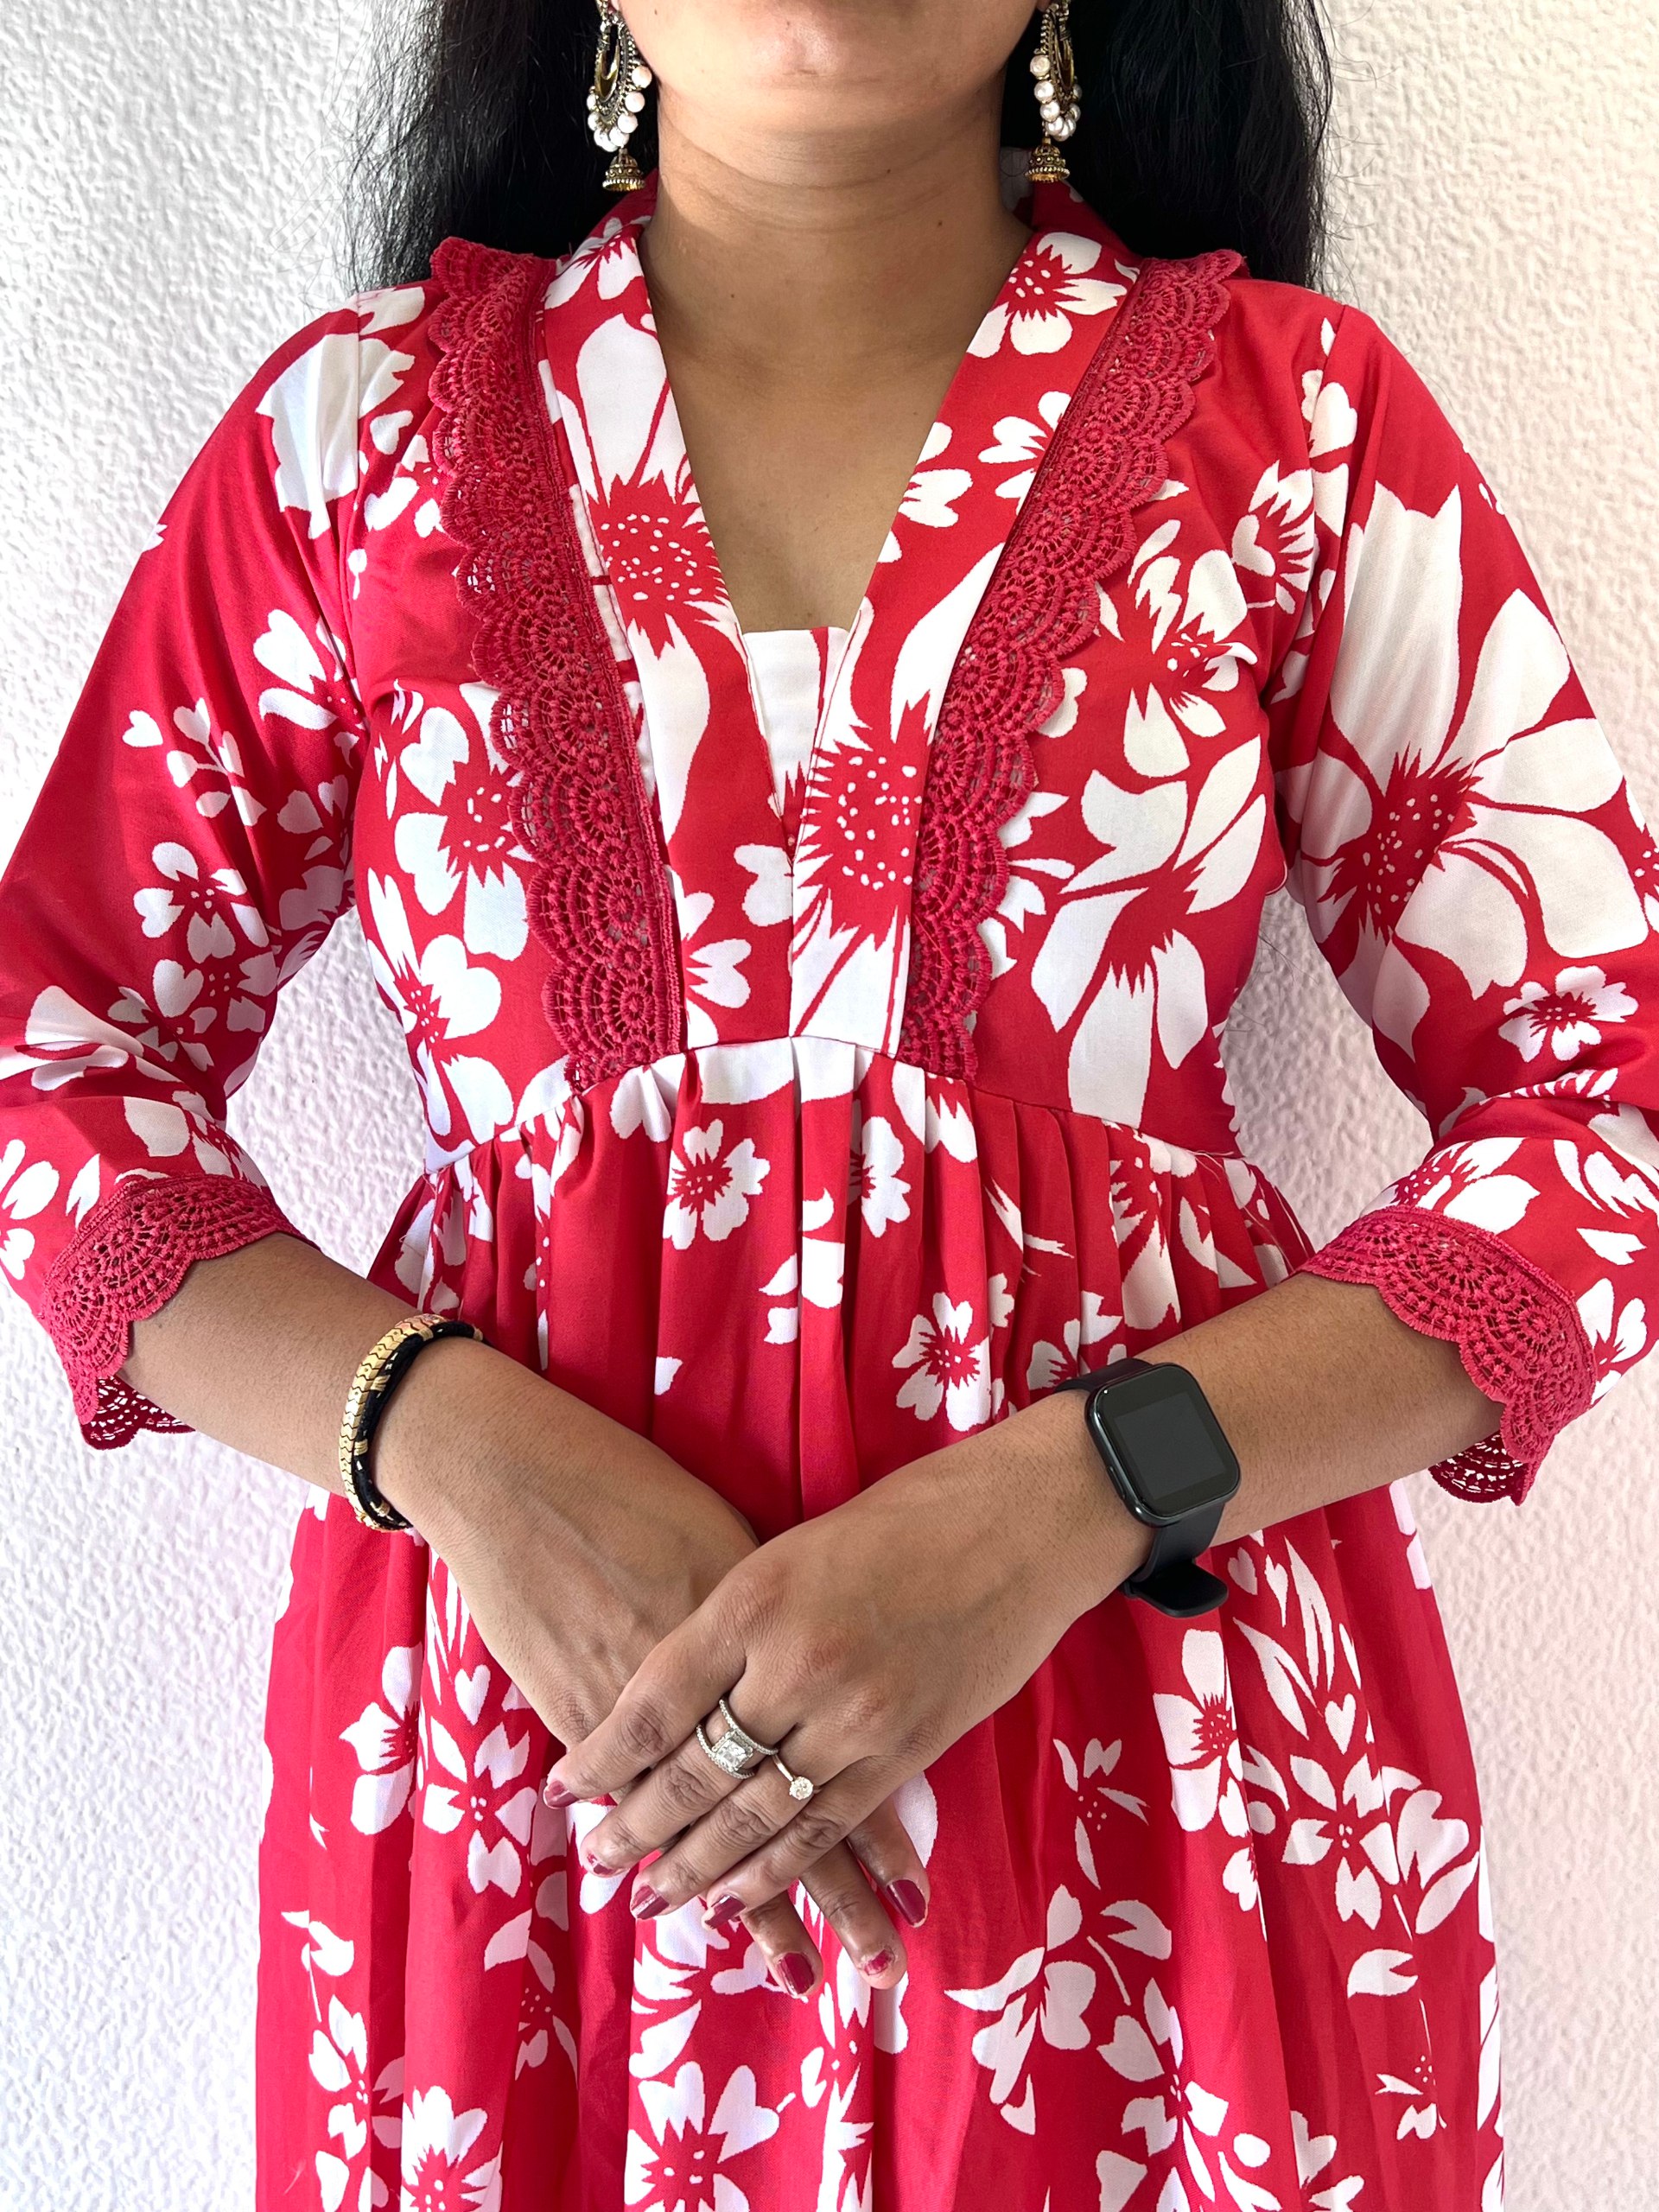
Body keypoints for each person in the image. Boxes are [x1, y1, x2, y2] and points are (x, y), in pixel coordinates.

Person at [3, 1, 1654, 2204]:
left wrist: (1081, 1494)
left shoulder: (1295, 427)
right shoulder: (356, 442)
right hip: (537, 1811)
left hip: (1157, 1772)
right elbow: (55, 1060)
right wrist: (453, 1442)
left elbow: (1610, 1096)